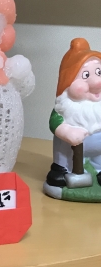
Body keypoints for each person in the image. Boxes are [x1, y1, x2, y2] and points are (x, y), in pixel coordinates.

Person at [47, 38, 101, 187]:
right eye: (85, 75)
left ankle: (99, 169)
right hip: (69, 150)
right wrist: (67, 131)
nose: (97, 82)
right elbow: (55, 123)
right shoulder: (64, 107)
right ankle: (61, 169)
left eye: (99, 72)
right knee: (64, 152)